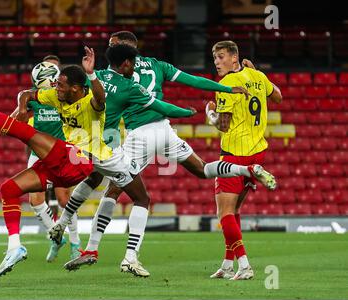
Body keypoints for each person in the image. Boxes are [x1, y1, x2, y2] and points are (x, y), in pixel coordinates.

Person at [58, 44, 276, 277]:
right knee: (202, 169)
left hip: (136, 136)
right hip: (164, 131)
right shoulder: (156, 65)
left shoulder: (106, 78)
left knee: (117, 191)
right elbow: (190, 82)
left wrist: (84, 78)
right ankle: (246, 170)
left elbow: (83, 94)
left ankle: (101, 250)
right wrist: (192, 108)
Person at [0, 47, 112, 276]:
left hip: (77, 159)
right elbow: (27, 94)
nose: (56, 87)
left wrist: (91, 74)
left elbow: (101, 97)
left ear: (76, 88)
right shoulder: (54, 96)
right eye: (55, 83)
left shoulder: (90, 101)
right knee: (8, 189)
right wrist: (21, 107)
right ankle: (14, 246)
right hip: (57, 163)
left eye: (61, 84)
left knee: (25, 133)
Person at [206, 41, 281, 280]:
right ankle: (228, 264)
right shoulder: (256, 74)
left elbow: (224, 125)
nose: (216, 62)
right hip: (257, 150)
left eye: (220, 57)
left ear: (234, 57)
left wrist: (210, 115)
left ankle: (245, 265)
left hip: (234, 155)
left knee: (224, 214)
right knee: (235, 209)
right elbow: (278, 97)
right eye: (214, 58)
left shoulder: (226, 84)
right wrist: (258, 73)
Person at [23, 55, 81, 262]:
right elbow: (17, 120)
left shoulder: (65, 96)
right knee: (35, 200)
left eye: (55, 69)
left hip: (62, 151)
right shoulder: (34, 98)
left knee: (65, 200)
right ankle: (56, 237)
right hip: (38, 153)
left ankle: (75, 244)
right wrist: (21, 105)